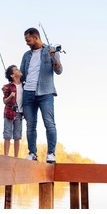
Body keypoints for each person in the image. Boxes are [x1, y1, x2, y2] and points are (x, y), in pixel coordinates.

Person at [20, 27, 63, 163]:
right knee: (30, 125)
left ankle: (51, 154)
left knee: (49, 123)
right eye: (26, 40)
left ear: (36, 37)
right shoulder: (26, 55)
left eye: (28, 40)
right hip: (28, 93)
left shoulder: (50, 50)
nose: (27, 42)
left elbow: (59, 70)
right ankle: (32, 153)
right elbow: (22, 75)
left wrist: (54, 58)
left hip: (46, 92)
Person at [2, 65, 24, 157]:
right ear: (12, 75)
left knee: (17, 136)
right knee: (7, 134)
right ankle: (6, 156)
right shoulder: (7, 87)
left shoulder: (24, 85)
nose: (19, 70)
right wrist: (10, 96)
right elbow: (4, 101)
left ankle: (16, 157)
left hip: (20, 113)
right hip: (9, 113)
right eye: (16, 69)